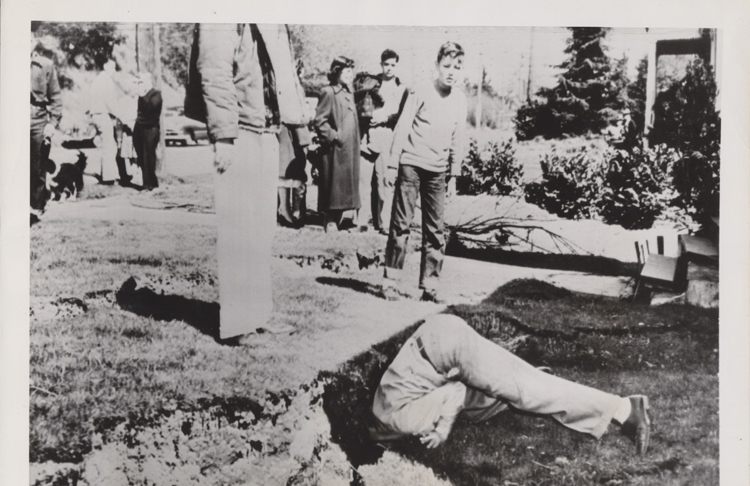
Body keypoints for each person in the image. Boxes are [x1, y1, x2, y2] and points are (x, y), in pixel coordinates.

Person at [370, 314, 652, 455]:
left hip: (447, 349)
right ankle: (524, 379)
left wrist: (442, 431)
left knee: (528, 394)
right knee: (478, 406)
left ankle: (625, 408)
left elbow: (454, 392)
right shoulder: (380, 408)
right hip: (437, 333)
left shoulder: (399, 423)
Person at [198, 23, 308, 343]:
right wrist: (223, 136)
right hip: (239, 133)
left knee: (261, 230)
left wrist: (299, 130)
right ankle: (237, 325)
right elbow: (214, 71)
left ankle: (259, 316)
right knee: (238, 229)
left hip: (267, 130)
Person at [382, 42, 468, 303]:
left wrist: (454, 176)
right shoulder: (420, 90)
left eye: (457, 67)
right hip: (411, 165)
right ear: (437, 66)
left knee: (435, 231)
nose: (451, 72)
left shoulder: (460, 100)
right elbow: (402, 126)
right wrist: (392, 165)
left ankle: (429, 287)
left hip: (438, 172)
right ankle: (390, 282)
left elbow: (458, 138)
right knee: (401, 225)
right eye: (446, 66)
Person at [357, 49, 408, 234]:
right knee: (363, 182)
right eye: (386, 64)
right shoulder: (372, 83)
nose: (389, 68)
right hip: (368, 136)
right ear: (381, 64)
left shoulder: (402, 89)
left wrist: (385, 118)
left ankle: (384, 222)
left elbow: (403, 116)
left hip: (387, 137)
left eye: (393, 65)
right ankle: (361, 221)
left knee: (384, 183)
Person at [313, 56, 361, 233]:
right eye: (347, 71)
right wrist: (335, 136)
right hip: (335, 151)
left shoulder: (349, 93)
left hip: (350, 149)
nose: (350, 75)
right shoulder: (329, 92)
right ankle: (330, 220)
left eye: (351, 71)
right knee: (334, 186)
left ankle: (339, 218)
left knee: (345, 187)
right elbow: (320, 121)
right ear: (336, 73)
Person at [30, 34, 62, 222]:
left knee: (38, 166)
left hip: (38, 119)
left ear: (33, 42)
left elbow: (56, 98)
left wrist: (52, 123)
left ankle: (35, 207)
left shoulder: (46, 65)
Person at [89, 54, 122, 185]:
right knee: (109, 146)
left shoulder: (97, 80)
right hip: (102, 114)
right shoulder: (107, 80)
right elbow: (110, 101)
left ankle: (104, 174)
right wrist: (119, 114)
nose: (114, 71)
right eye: (112, 68)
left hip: (95, 115)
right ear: (105, 67)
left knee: (105, 146)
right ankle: (108, 177)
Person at [132, 72, 163, 191]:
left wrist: (142, 96)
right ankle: (148, 183)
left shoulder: (156, 94)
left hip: (151, 129)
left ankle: (150, 184)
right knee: (141, 156)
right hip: (140, 129)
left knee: (148, 157)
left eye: (141, 82)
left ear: (148, 82)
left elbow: (151, 108)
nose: (139, 84)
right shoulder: (142, 96)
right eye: (139, 82)